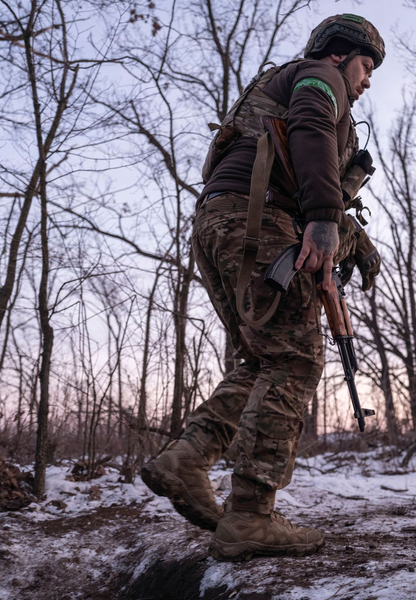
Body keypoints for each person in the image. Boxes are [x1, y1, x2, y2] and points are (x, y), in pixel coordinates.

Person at [141, 14, 385, 561]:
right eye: (366, 66)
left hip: (221, 224)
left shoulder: (281, 86)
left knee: (261, 360)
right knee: (295, 360)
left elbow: (295, 156)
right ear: (339, 54)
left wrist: (351, 236)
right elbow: (312, 128)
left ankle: (186, 459)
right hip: (257, 223)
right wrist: (324, 218)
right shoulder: (318, 77)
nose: (367, 80)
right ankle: (250, 514)